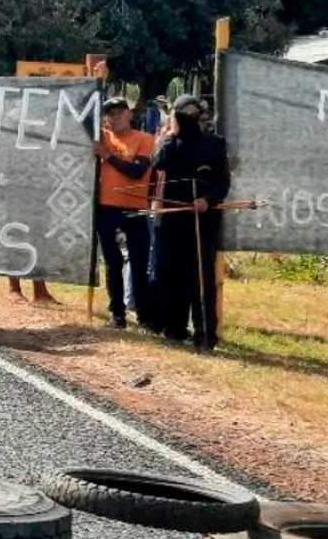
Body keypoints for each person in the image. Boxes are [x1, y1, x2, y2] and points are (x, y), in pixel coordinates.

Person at [152, 95, 229, 351]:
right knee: (168, 272)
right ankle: (174, 328)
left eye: (193, 113)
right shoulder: (169, 144)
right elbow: (159, 163)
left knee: (199, 276)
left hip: (202, 220)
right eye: (182, 114)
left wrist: (208, 199)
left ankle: (205, 334)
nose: (189, 118)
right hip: (171, 216)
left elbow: (223, 183)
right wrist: (170, 134)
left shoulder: (215, 144)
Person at [94, 97, 157, 330]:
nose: (116, 116)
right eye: (110, 113)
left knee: (140, 264)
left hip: (135, 209)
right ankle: (117, 314)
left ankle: (144, 315)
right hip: (106, 208)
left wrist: (108, 156)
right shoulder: (100, 137)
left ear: (129, 114)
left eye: (120, 112)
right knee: (112, 263)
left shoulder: (144, 139)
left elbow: (138, 171)